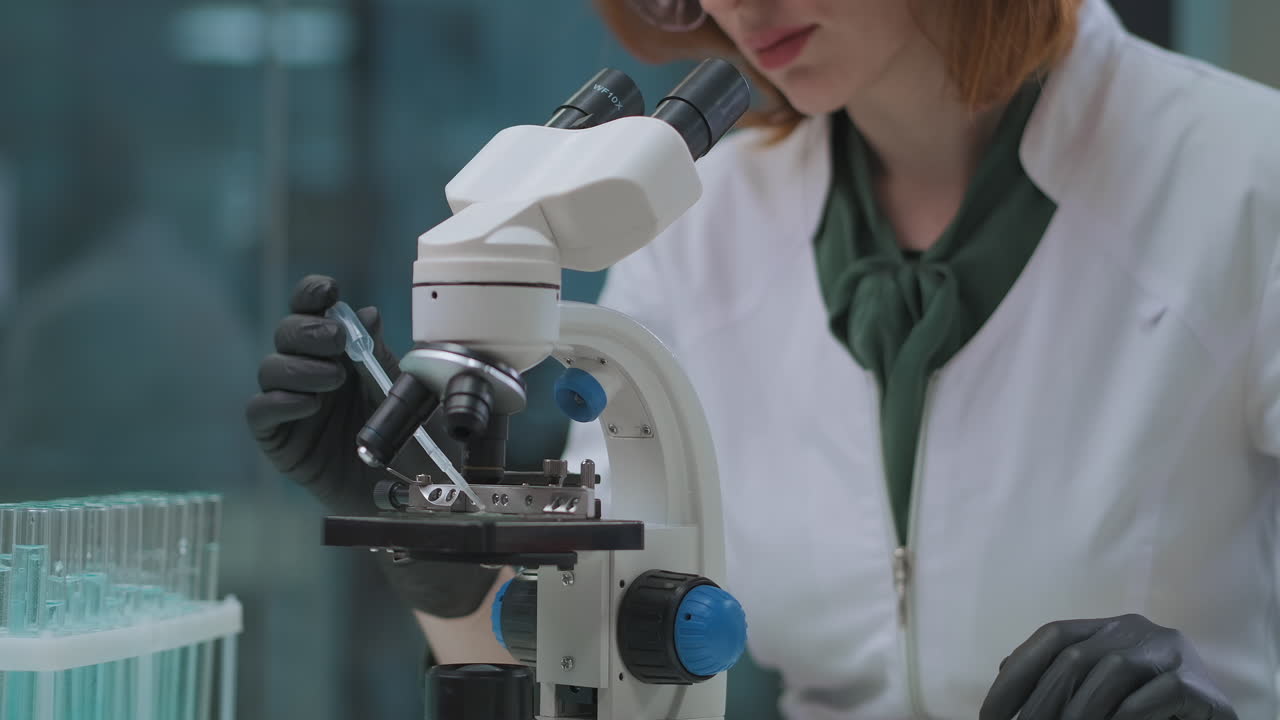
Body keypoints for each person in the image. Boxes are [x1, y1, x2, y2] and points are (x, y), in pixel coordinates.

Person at [247, 0, 1280, 717]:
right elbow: (589, 663)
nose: (734, 7)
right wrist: (431, 551)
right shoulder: (696, 231)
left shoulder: (1243, 182)